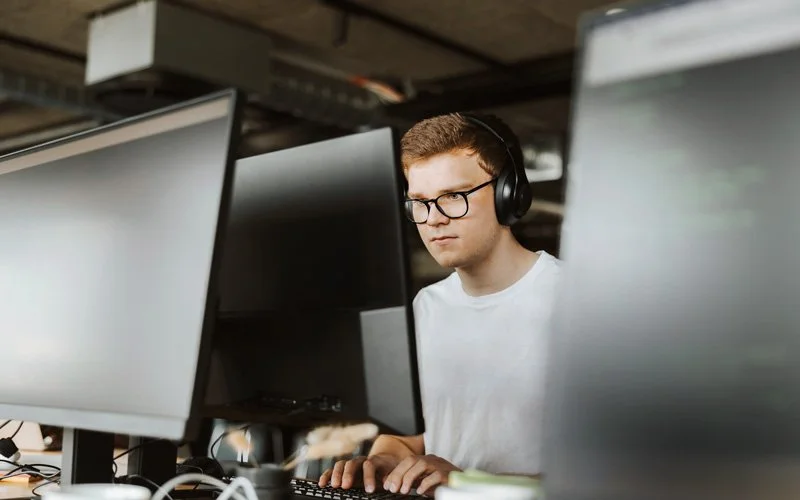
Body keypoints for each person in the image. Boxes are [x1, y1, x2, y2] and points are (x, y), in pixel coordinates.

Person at [318, 112, 562, 496]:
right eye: (420, 202)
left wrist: (468, 482)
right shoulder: (424, 309)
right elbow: (407, 439)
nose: (433, 219)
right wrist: (383, 462)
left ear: (508, 194)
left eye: (453, 196)